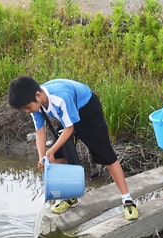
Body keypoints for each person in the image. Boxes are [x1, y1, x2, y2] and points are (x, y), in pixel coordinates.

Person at [8, 76, 139, 219]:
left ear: (38, 96)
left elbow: (69, 129)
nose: (28, 111)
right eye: (25, 109)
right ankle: (70, 197)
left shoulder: (60, 98)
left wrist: (50, 150)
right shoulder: (36, 105)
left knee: (106, 155)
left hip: (87, 109)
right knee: (57, 156)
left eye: (28, 107)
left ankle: (127, 200)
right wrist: (42, 157)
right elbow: (40, 133)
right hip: (68, 115)